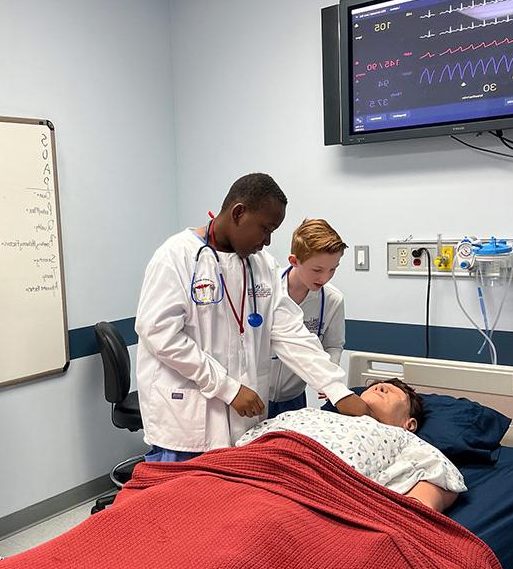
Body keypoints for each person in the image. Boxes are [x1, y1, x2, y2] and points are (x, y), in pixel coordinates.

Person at [134, 173, 371, 462]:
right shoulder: (176, 257)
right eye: (265, 228)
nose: (268, 241)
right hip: (187, 424)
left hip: (244, 425)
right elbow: (161, 335)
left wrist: (336, 389)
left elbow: (290, 332)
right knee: (176, 503)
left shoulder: (262, 266)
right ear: (238, 213)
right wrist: (228, 388)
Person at [237, 378, 465, 512]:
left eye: (391, 391)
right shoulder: (308, 414)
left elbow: (439, 476)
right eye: (375, 386)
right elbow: (246, 445)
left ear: (410, 423)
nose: (380, 387)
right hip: (250, 474)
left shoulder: (403, 438)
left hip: (308, 493)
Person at [267, 218, 348, 418]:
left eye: (333, 269)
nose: (325, 278)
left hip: (294, 396)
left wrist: (330, 373)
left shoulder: (332, 300)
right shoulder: (266, 292)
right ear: (294, 261)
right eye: (317, 270)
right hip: (257, 394)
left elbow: (334, 345)